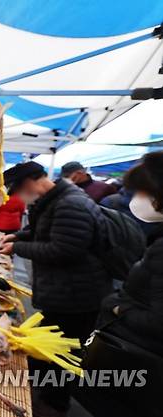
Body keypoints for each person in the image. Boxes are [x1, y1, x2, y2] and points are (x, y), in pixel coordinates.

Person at [0, 161, 111, 417]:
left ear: (30, 183)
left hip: (77, 297)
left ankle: (53, 405)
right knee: (46, 350)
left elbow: (64, 249)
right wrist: (18, 237)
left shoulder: (70, 203)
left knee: (62, 354)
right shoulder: (56, 199)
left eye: (16, 190)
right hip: (64, 292)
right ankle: (41, 394)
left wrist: (17, 248)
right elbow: (43, 231)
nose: (17, 197)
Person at [76, 151, 163, 417]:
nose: (136, 200)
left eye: (141, 192)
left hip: (138, 359)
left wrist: (118, 307)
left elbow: (158, 321)